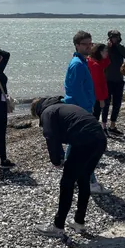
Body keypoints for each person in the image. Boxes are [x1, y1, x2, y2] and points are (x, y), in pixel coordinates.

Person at [30, 97, 108, 237]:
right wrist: (60, 156)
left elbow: (51, 137)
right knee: (84, 179)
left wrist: (56, 161)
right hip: (100, 139)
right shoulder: (63, 107)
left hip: (84, 141)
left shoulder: (47, 112)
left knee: (67, 182)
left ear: (37, 111)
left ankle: (58, 226)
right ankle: (79, 222)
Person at [64, 31, 109, 195]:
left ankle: (71, 177)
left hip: (82, 109)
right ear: (77, 45)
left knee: (76, 145)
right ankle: (90, 182)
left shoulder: (82, 62)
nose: (89, 47)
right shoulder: (77, 64)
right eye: (85, 44)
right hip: (80, 111)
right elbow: (75, 91)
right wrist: (85, 111)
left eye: (90, 43)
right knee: (88, 148)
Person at [104, 30, 125, 135]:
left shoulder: (121, 48)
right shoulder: (106, 48)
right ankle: (104, 125)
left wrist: (117, 46)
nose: (114, 39)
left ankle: (112, 125)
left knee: (117, 104)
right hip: (107, 80)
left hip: (118, 80)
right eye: (113, 37)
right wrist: (108, 47)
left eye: (116, 37)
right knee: (105, 104)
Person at [87, 43, 111, 129]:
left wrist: (106, 55)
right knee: (95, 116)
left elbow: (107, 63)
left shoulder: (95, 61)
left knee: (94, 116)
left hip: (95, 95)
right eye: (105, 51)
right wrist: (101, 99)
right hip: (96, 96)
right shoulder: (95, 65)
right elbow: (96, 84)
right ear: (100, 52)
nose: (107, 53)